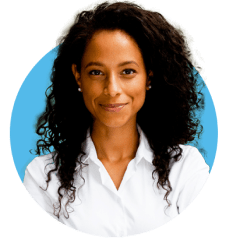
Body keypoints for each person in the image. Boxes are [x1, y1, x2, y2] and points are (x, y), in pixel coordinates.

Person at [23, 0, 210, 238]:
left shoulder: (185, 169)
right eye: (96, 72)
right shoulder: (42, 178)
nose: (112, 89)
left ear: (149, 77)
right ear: (78, 77)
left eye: (128, 72)